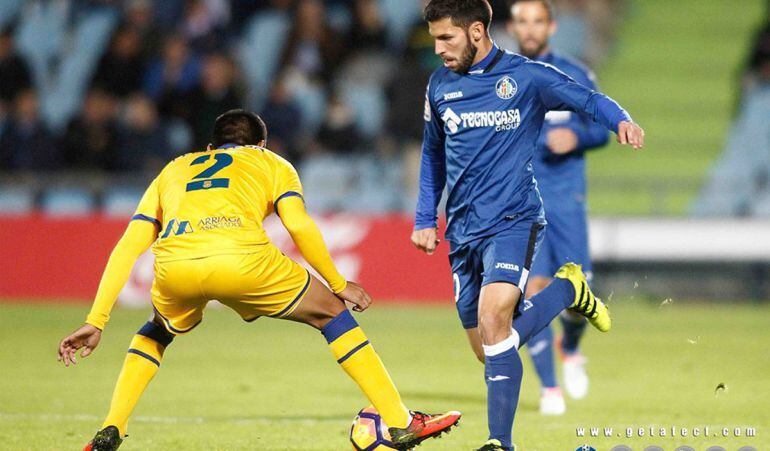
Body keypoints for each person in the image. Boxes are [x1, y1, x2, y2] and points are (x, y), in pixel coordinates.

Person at [57, 110, 461, 451]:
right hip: (244, 261)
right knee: (332, 314)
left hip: (176, 266)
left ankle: (112, 427)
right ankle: (399, 421)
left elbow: (128, 246)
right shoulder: (273, 164)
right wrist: (338, 284)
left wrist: (97, 320)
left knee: (155, 332)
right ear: (262, 145)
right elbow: (298, 226)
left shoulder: (175, 168)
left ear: (211, 148)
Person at [412, 1, 644, 450]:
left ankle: (500, 442)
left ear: (476, 32)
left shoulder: (526, 77)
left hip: (514, 220)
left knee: (494, 320)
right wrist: (425, 217)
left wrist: (621, 121)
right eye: (435, 38)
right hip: (463, 230)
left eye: (446, 38)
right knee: (489, 349)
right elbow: (432, 153)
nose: (438, 48)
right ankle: (567, 291)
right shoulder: (439, 84)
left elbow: (586, 99)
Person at [508, 0, 613, 415]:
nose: (530, 29)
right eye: (522, 21)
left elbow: (602, 129)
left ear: (551, 27)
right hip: (522, 204)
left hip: (566, 200)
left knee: (576, 295)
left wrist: (577, 138)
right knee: (532, 291)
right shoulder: (502, 78)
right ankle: (550, 388)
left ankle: (569, 348)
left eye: (538, 21)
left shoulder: (574, 73)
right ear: (512, 27)